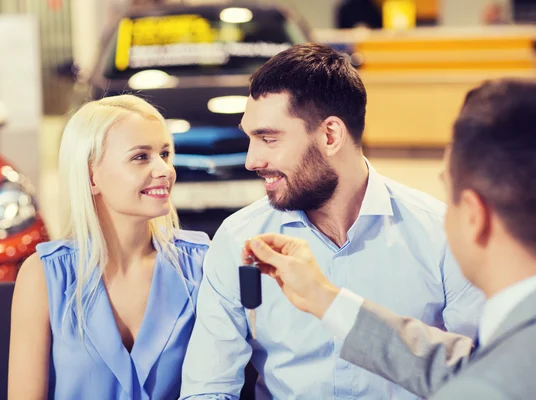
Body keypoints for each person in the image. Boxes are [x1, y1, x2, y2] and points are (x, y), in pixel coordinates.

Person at [180, 43, 484, 399]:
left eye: (268, 138)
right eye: (251, 138)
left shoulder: (441, 234)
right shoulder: (238, 240)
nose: (251, 160)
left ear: (330, 135)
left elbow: (482, 375)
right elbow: (208, 389)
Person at [243, 78, 536, 399]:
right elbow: (460, 365)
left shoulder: (490, 385)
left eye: (448, 191)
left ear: (473, 216)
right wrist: (324, 297)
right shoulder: (511, 352)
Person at [8, 95, 209, 399]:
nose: (165, 170)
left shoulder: (201, 264)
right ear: (91, 177)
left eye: (165, 154)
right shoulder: (43, 275)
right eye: (141, 157)